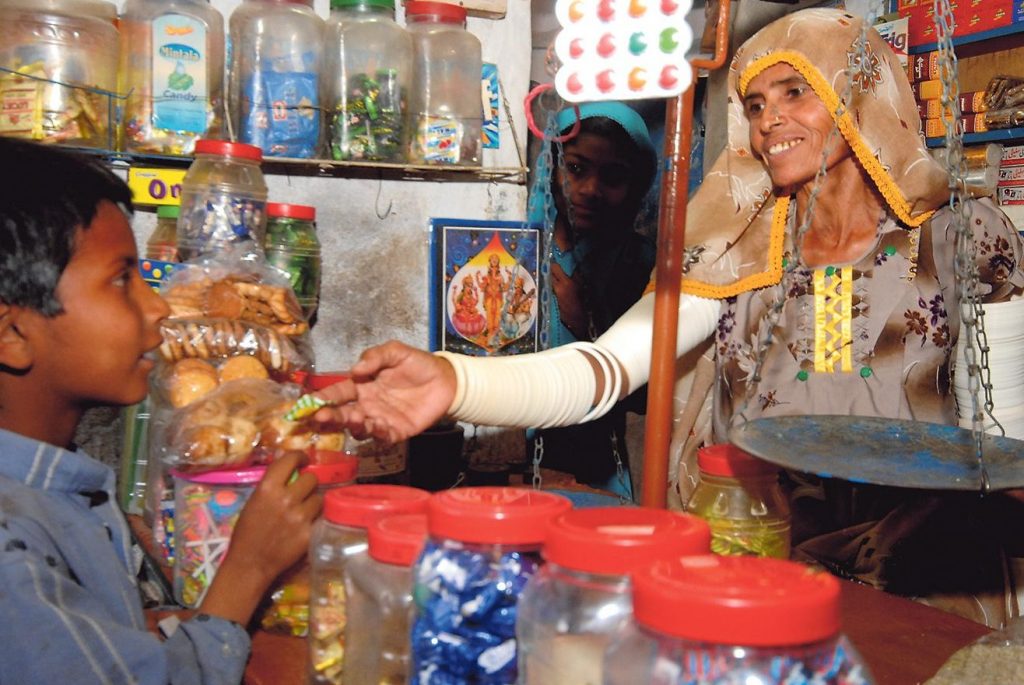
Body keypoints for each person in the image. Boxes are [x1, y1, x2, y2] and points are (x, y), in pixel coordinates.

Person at [314, 9, 1024, 626]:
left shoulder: (956, 241)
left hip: (924, 578)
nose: (768, 118)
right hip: (763, 562)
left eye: (794, 92)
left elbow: (1012, 437)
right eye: (752, 103)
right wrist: (456, 381)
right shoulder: (737, 249)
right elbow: (604, 369)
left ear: (860, 95)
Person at [0, 137, 323, 683]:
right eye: (122, 279)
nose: (156, 306)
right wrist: (247, 569)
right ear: (12, 332)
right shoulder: (12, 554)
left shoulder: (59, 491)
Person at [526, 101, 658, 497]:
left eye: (614, 177)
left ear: (636, 186)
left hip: (597, 471)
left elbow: (650, 396)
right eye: (576, 169)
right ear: (551, 168)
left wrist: (584, 324)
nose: (590, 191)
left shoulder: (644, 266)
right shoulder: (515, 252)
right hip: (508, 463)